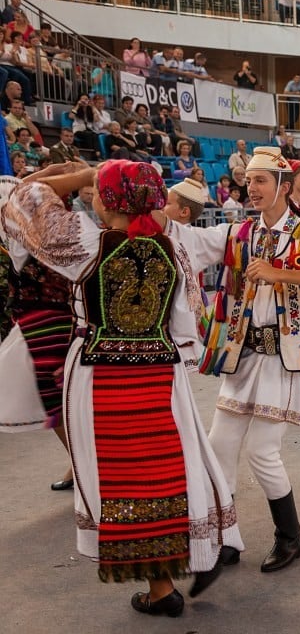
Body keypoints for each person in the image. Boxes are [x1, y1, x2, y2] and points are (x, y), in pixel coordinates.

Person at [0, 160, 243, 616]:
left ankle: (161, 586)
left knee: (119, 481)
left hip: (100, 375)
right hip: (160, 373)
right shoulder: (171, 245)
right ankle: (189, 558)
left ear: (105, 198)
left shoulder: (85, 242)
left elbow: (15, 198)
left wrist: (73, 177)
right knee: (172, 464)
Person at [161, 146, 300, 574]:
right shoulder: (238, 233)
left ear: (283, 186)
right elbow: (187, 239)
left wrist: (279, 273)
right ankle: (226, 537)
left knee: (263, 452)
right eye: (249, 181)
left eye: (261, 180)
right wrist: (148, 213)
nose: (252, 188)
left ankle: (290, 537)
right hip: (244, 356)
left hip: (286, 360)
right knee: (219, 446)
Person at [0, 175, 75, 491]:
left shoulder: (29, 234)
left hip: (52, 323)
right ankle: (80, 462)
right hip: (45, 322)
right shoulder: (33, 232)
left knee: (61, 397)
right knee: (58, 399)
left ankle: (86, 464)